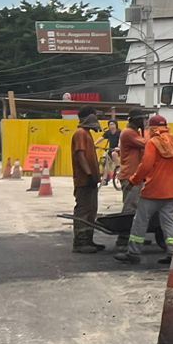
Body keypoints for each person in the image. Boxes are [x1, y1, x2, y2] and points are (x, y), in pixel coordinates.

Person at [115, 113, 173, 264]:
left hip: (153, 190)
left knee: (140, 220)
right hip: (171, 191)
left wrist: (134, 180)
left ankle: (133, 253)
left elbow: (145, 165)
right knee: (170, 222)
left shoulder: (153, 143)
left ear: (152, 128)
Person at [70, 109, 104, 254]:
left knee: (91, 210)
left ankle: (88, 240)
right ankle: (80, 242)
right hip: (84, 181)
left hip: (90, 181)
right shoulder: (80, 134)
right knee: (83, 210)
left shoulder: (87, 134)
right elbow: (80, 155)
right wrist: (89, 174)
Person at [114, 113, 148, 252]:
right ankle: (123, 238)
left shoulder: (133, 133)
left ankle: (132, 236)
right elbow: (147, 143)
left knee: (134, 207)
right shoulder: (128, 133)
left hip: (134, 175)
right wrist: (147, 131)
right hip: (129, 175)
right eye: (141, 119)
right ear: (134, 120)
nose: (143, 122)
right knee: (130, 208)